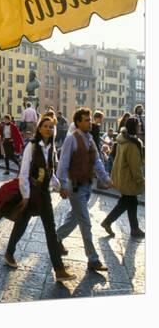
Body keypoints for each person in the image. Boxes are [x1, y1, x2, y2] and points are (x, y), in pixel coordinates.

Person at [4, 116, 76, 282]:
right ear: (39, 128)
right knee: (21, 223)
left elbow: (50, 173)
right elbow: (23, 172)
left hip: (44, 194)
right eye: (45, 126)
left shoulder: (51, 148)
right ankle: (9, 253)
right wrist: (26, 196)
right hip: (31, 192)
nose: (49, 129)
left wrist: (59, 187)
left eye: (51, 127)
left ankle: (59, 270)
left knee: (50, 230)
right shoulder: (32, 145)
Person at [56, 107, 113, 272]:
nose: (90, 122)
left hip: (87, 186)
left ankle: (56, 238)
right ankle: (92, 259)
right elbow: (63, 164)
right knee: (85, 222)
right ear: (78, 122)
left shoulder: (90, 139)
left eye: (90, 119)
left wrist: (106, 178)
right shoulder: (71, 139)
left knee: (73, 218)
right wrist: (63, 185)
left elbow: (97, 161)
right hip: (75, 188)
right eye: (87, 120)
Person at [101, 117, 145, 238]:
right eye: (139, 126)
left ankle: (134, 229)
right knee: (127, 202)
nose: (140, 127)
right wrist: (140, 180)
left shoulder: (123, 140)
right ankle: (108, 222)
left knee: (131, 202)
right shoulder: (132, 144)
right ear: (134, 127)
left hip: (122, 176)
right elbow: (135, 165)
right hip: (129, 179)